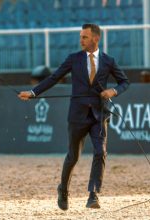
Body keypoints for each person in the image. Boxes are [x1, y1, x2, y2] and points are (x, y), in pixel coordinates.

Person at [18, 23, 129, 210]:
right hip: (77, 115)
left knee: (100, 152)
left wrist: (113, 91)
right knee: (73, 157)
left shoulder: (109, 61)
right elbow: (54, 78)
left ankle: (93, 195)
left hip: (99, 115)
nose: (81, 40)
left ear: (96, 38)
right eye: (80, 37)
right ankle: (63, 189)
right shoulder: (73, 59)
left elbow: (124, 82)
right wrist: (34, 92)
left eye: (85, 37)